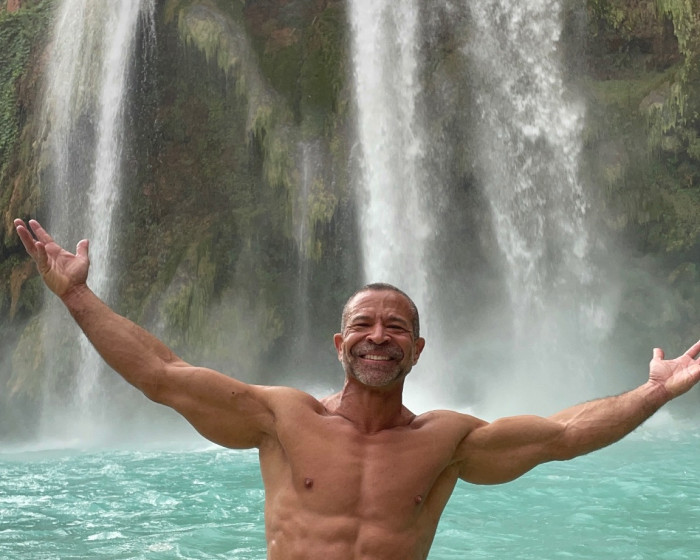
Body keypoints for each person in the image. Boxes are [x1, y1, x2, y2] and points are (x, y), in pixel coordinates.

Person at [13, 218, 700, 560]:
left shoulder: (449, 440)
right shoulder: (281, 417)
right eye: (363, 326)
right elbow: (162, 376)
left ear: (417, 350)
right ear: (339, 345)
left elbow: (564, 435)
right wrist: (76, 297)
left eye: (396, 327)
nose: (379, 336)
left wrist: (655, 393)